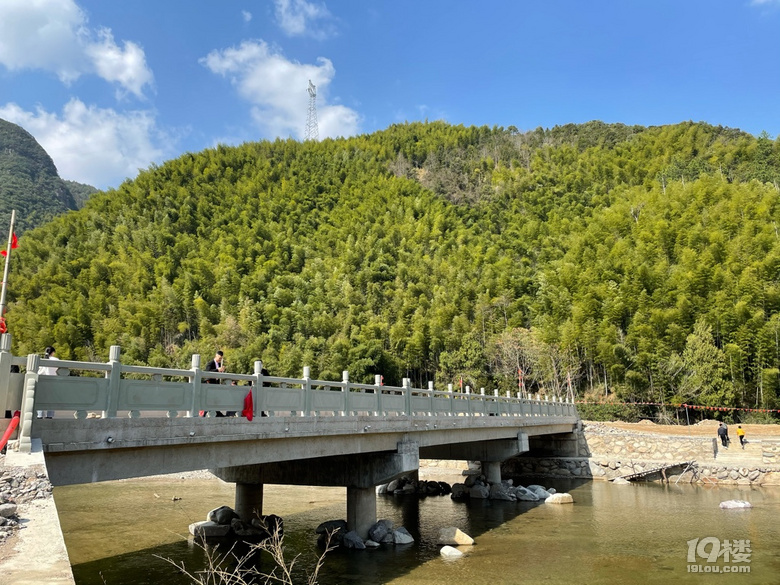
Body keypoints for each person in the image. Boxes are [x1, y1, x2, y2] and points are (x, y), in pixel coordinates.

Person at [36, 346, 59, 419]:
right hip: (52, 381)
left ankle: (39, 415)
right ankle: (49, 415)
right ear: (53, 352)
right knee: (51, 400)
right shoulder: (56, 360)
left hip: (42, 380)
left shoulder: (41, 360)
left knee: (41, 399)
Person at [204, 351, 226, 416]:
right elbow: (207, 371)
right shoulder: (210, 363)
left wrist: (222, 371)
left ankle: (216, 412)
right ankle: (207, 413)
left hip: (216, 384)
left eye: (221, 358)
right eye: (219, 358)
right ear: (216, 356)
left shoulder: (219, 364)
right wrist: (217, 370)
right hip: (210, 384)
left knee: (216, 399)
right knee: (211, 400)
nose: (220, 359)